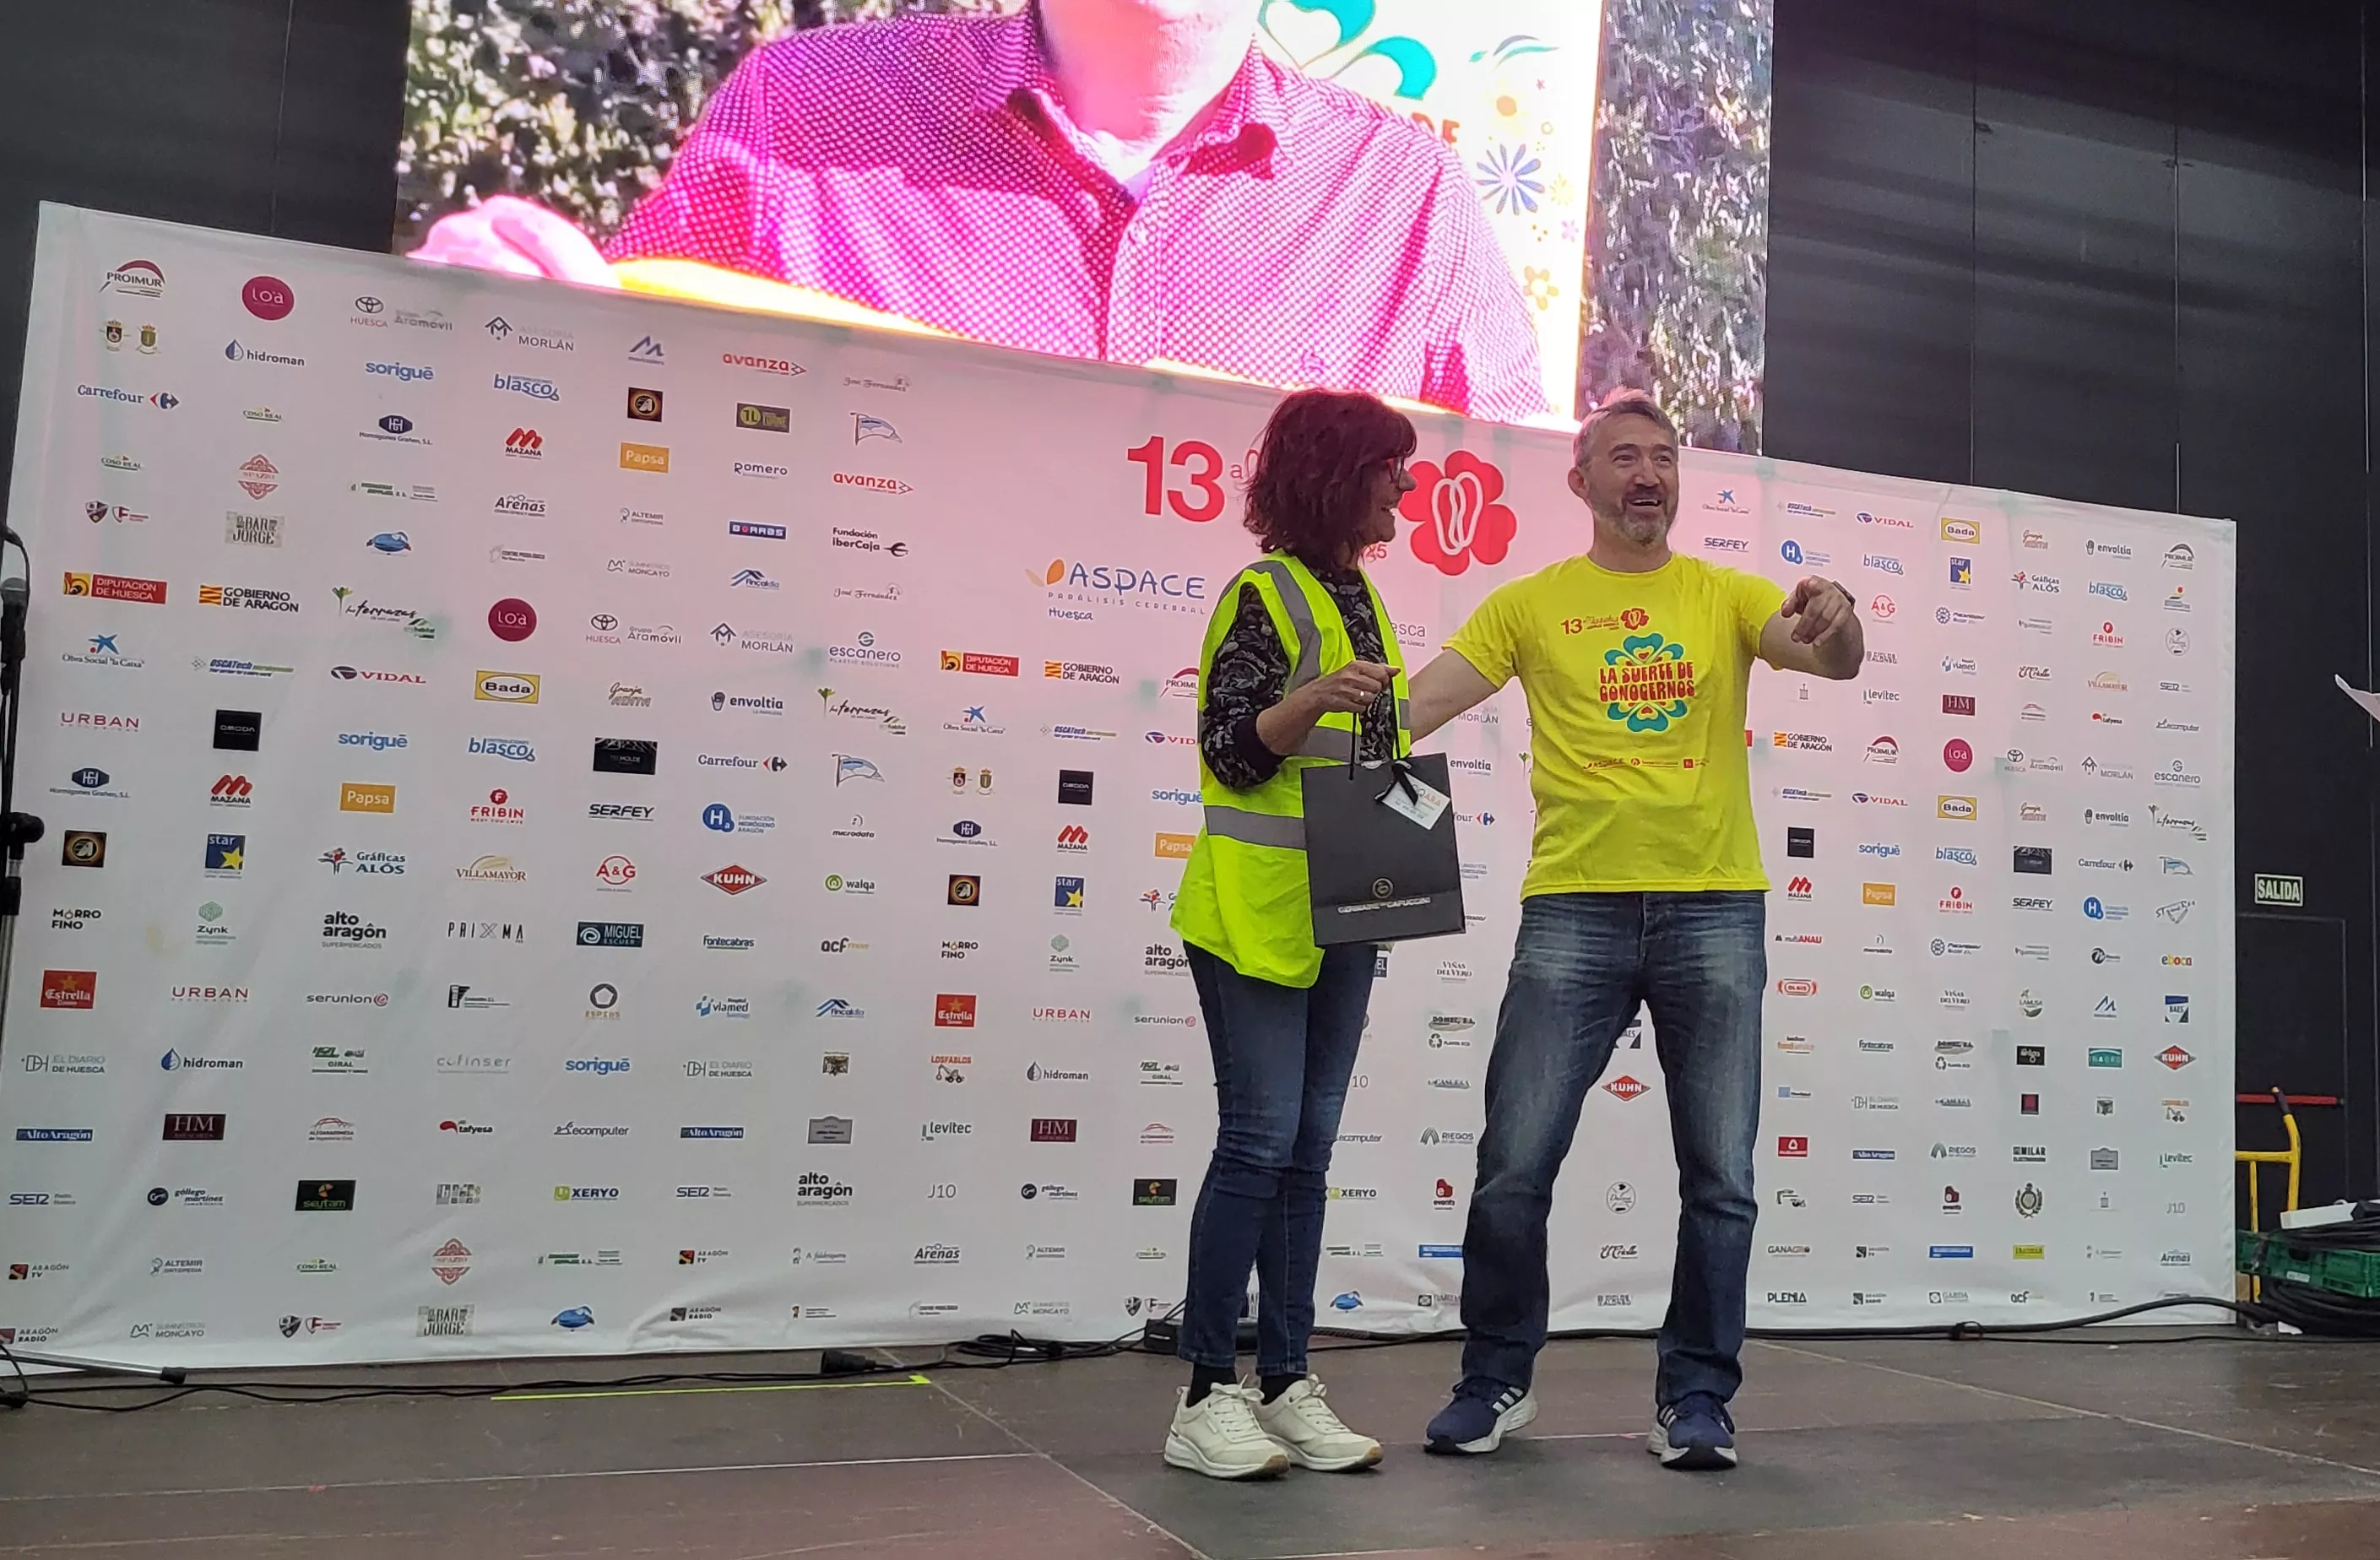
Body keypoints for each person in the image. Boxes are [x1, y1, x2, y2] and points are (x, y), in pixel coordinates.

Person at [1399, 391, 1862, 1472]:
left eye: (1662, 457)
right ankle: (1492, 1379)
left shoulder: (1727, 596)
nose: (1647, 474)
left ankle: (1697, 1398)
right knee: (1514, 1164)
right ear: (1581, 481)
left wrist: (1840, 625)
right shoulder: (1528, 606)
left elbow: (1831, 659)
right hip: (1574, 909)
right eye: (1623, 458)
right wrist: (1299, 708)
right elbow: (1413, 713)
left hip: (1714, 907)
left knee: (1721, 1177)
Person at [413, 0, 1548, 421]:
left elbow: (1533, 569)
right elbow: (605, 418)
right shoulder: (801, 116)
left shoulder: (1415, 206)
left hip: (1286, 885)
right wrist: (493, 337)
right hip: (846, 858)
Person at [1157, 387, 1422, 1480]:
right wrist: (1310, 699)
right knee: (1259, 1145)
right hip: (1253, 917)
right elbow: (1232, 750)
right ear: (1337, 475)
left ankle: (1288, 1380)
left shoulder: (1360, 593)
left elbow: (1373, 767)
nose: (1406, 487)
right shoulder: (1263, 594)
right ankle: (1205, 1391)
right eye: (1389, 469)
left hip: (1346, 914)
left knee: (1306, 1158)